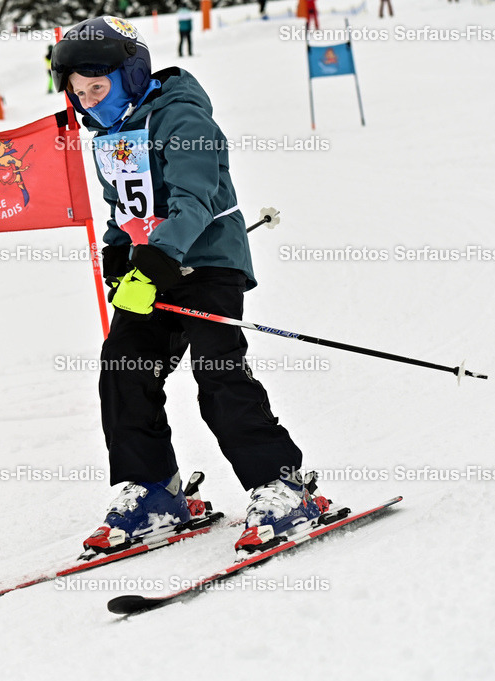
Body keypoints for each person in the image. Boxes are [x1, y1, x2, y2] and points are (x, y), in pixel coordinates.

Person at [50, 16, 321, 557]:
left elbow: (193, 198)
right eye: (78, 94)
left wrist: (160, 254)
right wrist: (117, 250)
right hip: (150, 267)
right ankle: (155, 492)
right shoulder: (111, 132)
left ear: (130, 74)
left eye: (97, 88)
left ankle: (280, 485)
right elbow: (123, 204)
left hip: (207, 262)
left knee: (218, 371)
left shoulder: (181, 114)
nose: (88, 102)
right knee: (124, 369)